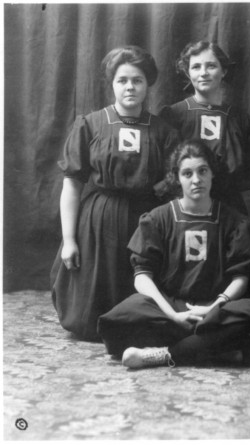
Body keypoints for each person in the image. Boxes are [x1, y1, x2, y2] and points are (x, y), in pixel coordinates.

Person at [50, 46, 179, 341]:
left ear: (148, 85)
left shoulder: (163, 131)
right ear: (112, 84)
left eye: (138, 80)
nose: (130, 87)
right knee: (90, 313)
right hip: (99, 219)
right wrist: (69, 239)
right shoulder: (91, 124)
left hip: (145, 220)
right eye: (122, 80)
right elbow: (72, 185)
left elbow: (173, 183)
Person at [97, 140, 250, 367]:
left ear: (213, 174)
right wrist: (172, 315)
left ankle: (163, 354)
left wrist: (214, 307)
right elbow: (142, 275)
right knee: (121, 318)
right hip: (170, 307)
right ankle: (211, 349)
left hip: (214, 309)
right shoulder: (158, 218)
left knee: (249, 315)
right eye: (187, 173)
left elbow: (240, 278)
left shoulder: (234, 221)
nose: (196, 180)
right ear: (177, 178)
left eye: (203, 171)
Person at [160, 41, 250, 214]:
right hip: (184, 207)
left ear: (223, 71)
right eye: (196, 67)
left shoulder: (241, 120)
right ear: (187, 72)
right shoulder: (172, 116)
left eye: (211, 66)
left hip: (230, 207)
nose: (203, 73)